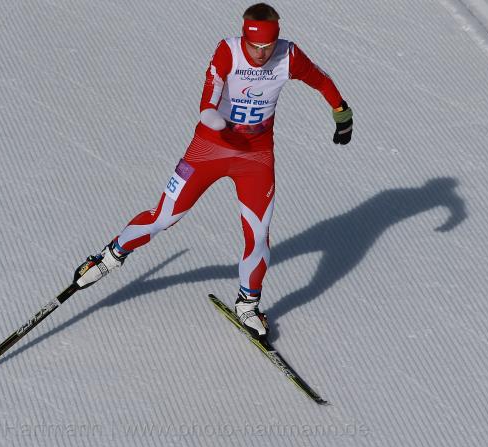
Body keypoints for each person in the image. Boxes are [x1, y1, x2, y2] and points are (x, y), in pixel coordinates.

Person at [72, 3, 353, 338]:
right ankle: (109, 256)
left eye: (266, 48)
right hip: (208, 150)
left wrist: (341, 111)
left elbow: (320, 79)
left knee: (259, 235)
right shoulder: (229, 51)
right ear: (244, 38)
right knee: (165, 216)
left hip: (255, 157)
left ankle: (248, 304)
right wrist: (209, 113)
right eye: (254, 47)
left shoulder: (288, 55)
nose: (260, 55)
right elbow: (212, 87)